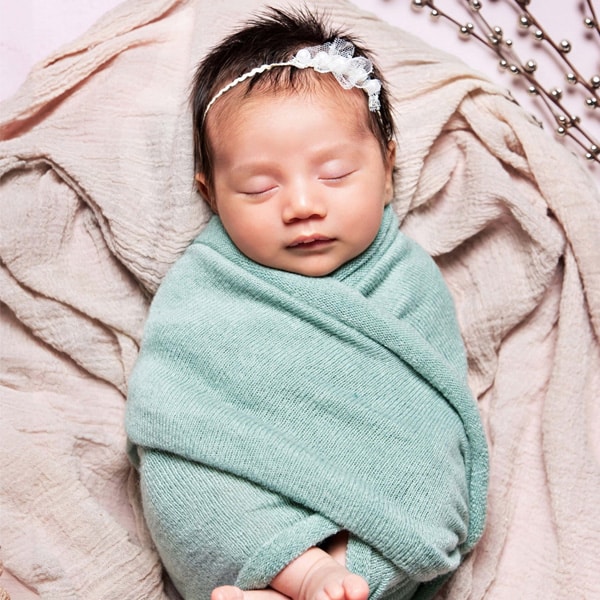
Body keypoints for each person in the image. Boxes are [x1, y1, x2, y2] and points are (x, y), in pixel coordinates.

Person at [125, 7, 489, 600]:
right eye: (260, 187)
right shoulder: (204, 283)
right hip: (244, 488)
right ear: (210, 193)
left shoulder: (409, 278)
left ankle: (344, 579)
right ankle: (296, 575)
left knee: (426, 480)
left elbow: (431, 415)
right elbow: (176, 405)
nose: (301, 205)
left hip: (367, 514)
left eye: (337, 174)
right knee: (184, 480)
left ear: (388, 169)